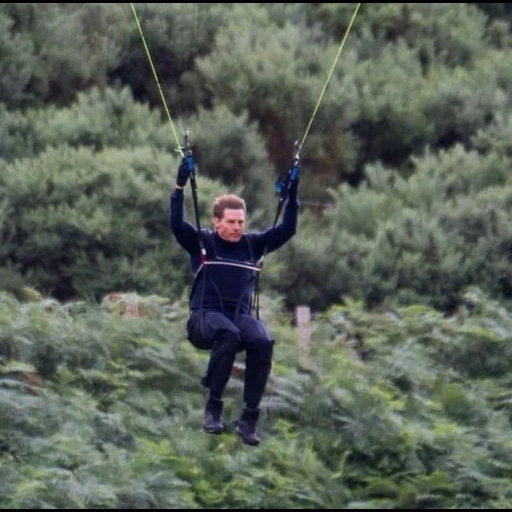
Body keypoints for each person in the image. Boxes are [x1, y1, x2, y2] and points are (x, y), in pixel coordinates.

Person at [169, 155, 300, 446]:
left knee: (263, 340)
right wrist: (179, 186)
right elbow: (176, 225)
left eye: (241, 221)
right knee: (227, 333)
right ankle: (213, 408)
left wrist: (292, 196)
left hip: (238, 317)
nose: (237, 227)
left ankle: (249, 419)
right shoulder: (203, 241)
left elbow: (288, 229)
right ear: (217, 222)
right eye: (231, 222)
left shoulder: (252, 244)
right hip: (204, 318)